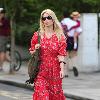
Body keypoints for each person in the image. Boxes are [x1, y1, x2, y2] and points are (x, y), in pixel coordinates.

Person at [29, 9, 67, 100]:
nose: (46, 20)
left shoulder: (60, 36)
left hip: (55, 71)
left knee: (55, 96)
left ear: (53, 19)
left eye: (48, 18)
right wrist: (36, 49)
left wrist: (62, 70)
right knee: (42, 96)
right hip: (40, 70)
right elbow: (32, 51)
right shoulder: (37, 35)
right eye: (43, 18)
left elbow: (61, 54)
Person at [61, 11, 82, 77]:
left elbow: (60, 30)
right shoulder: (75, 23)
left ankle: (66, 73)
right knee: (73, 56)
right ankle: (74, 66)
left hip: (66, 39)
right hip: (73, 40)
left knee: (65, 57)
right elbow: (79, 31)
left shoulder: (63, 22)